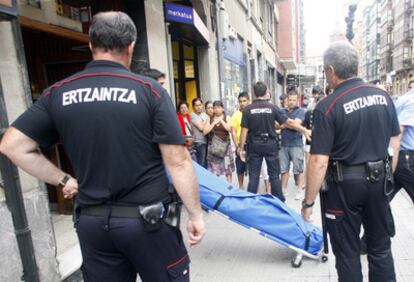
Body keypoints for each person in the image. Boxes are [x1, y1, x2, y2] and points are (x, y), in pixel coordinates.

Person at [0, 12, 205, 282]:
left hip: (93, 224)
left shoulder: (59, 92)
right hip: (148, 223)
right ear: (131, 45)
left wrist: (63, 179)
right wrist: (196, 214)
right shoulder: (150, 91)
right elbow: (177, 161)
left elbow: (12, 145)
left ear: (90, 46)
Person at [301, 41, 401, 282]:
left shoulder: (327, 106)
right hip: (379, 182)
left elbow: (318, 161)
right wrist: (388, 176)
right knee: (380, 248)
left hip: (344, 187)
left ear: (331, 71)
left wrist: (308, 202)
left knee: (347, 254)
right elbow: (396, 139)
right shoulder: (383, 97)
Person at [239, 82, 311, 201]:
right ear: (266, 91)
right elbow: (289, 122)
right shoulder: (272, 108)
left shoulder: (247, 110)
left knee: (254, 176)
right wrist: (304, 130)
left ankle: (250, 201)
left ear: (253, 93)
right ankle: (279, 200)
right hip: (270, 144)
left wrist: (241, 149)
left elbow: (244, 131)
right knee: (274, 175)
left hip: (254, 145)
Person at [279, 89, 306, 200]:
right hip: (283, 144)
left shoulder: (301, 111)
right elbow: (276, 124)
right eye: (290, 100)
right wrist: (291, 123)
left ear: (297, 100)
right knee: (283, 169)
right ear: (287, 100)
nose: (292, 102)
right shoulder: (282, 111)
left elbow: (297, 124)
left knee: (298, 169)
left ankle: (300, 190)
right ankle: (283, 190)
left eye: (294, 100)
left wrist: (284, 123)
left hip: (296, 143)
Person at [203, 100, 235, 183]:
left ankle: (229, 188)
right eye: (214, 108)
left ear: (223, 108)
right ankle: (217, 189)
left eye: (218, 107)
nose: (216, 110)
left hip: (225, 148)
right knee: (214, 170)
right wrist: (213, 123)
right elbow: (205, 131)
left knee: (228, 170)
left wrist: (221, 121)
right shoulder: (209, 118)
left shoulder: (226, 117)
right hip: (213, 148)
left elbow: (229, 129)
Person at [231, 92, 250, 188]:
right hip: (240, 145)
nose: (242, 103)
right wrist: (237, 146)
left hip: (251, 144)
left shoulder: (251, 112)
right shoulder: (235, 115)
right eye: (240, 101)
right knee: (240, 168)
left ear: (248, 101)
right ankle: (241, 187)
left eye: (244, 101)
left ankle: (253, 190)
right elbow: (233, 132)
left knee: (252, 168)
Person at [190, 98, 208, 168]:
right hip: (199, 143)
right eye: (196, 105)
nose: (198, 107)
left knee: (206, 164)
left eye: (200, 105)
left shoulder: (204, 114)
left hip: (206, 141)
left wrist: (204, 121)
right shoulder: (193, 115)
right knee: (201, 164)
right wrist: (207, 119)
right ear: (193, 107)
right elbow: (201, 128)